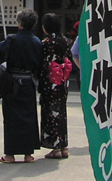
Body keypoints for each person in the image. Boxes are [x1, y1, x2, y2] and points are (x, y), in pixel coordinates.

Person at [0, 8, 43, 164]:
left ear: (20, 23)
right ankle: (28, 154)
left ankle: (10, 154)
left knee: (11, 118)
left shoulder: (11, 39)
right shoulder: (37, 41)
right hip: (28, 82)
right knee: (29, 117)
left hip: (11, 83)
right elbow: (40, 65)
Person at [39, 13, 70, 159]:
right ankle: (64, 146)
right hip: (63, 80)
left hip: (50, 81)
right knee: (61, 112)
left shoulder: (46, 43)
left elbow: (42, 63)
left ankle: (55, 147)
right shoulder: (65, 41)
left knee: (50, 113)